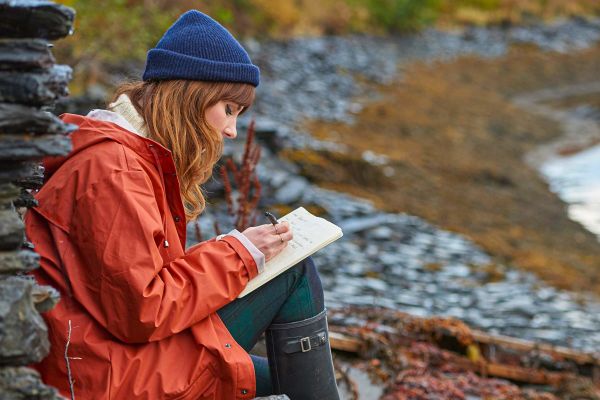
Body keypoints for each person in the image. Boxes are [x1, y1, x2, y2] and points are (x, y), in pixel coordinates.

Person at [25, 10, 340, 400]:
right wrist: (239, 254)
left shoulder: (127, 155)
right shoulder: (113, 169)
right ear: (192, 98)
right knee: (295, 276)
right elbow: (143, 310)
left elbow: (136, 280)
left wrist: (241, 249)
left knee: (288, 372)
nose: (231, 130)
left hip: (114, 354)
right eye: (229, 109)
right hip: (106, 375)